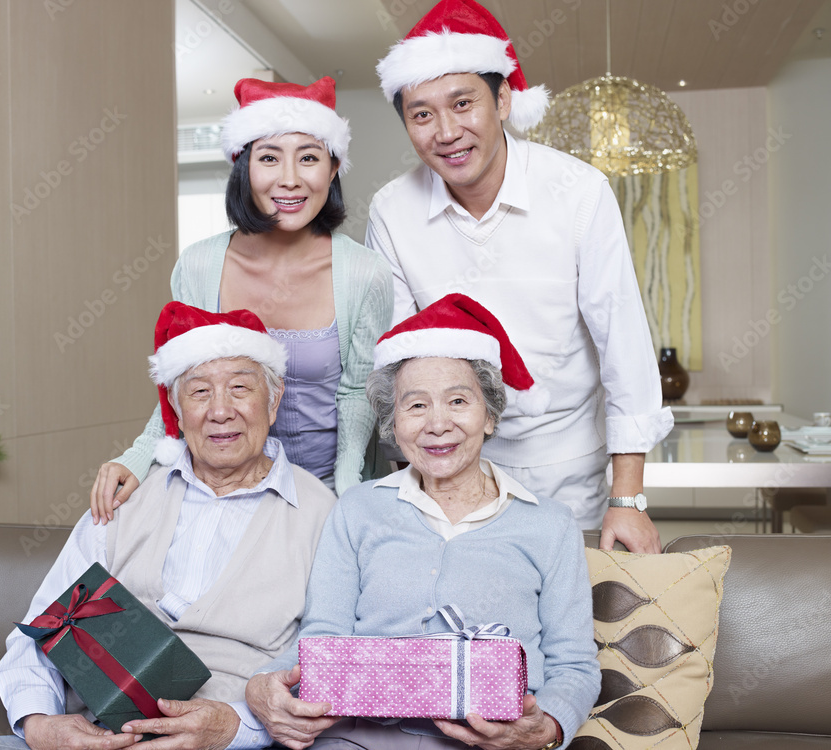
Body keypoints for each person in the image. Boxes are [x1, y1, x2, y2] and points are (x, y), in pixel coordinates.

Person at [0, 301, 339, 750]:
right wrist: (40, 724)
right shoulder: (125, 499)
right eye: (199, 392)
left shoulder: (324, 514)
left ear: (274, 400)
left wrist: (238, 728)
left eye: (239, 388)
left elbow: (326, 657)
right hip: (96, 731)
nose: (220, 410)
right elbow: (41, 627)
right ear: (175, 406)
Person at [364, 0, 673, 553]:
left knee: (563, 631)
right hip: (442, 474)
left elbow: (623, 345)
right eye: (422, 114)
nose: (447, 131)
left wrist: (628, 499)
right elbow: (397, 364)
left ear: (503, 99)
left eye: (463, 104)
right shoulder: (392, 209)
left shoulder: (579, 192)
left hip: (565, 472)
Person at [245, 293, 601, 750]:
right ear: (393, 425)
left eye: (458, 401)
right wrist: (259, 685)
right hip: (357, 739)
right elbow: (324, 639)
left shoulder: (551, 526)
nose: (437, 424)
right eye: (415, 406)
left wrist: (548, 729)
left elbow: (574, 666)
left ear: (489, 415)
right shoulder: (356, 510)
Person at [90, 76, 392, 518]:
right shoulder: (198, 266)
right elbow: (180, 385)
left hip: (324, 492)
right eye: (269, 158)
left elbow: (357, 392)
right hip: (220, 490)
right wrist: (138, 456)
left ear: (332, 168)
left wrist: (346, 488)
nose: (289, 179)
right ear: (244, 167)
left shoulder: (366, 274)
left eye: (308, 158)